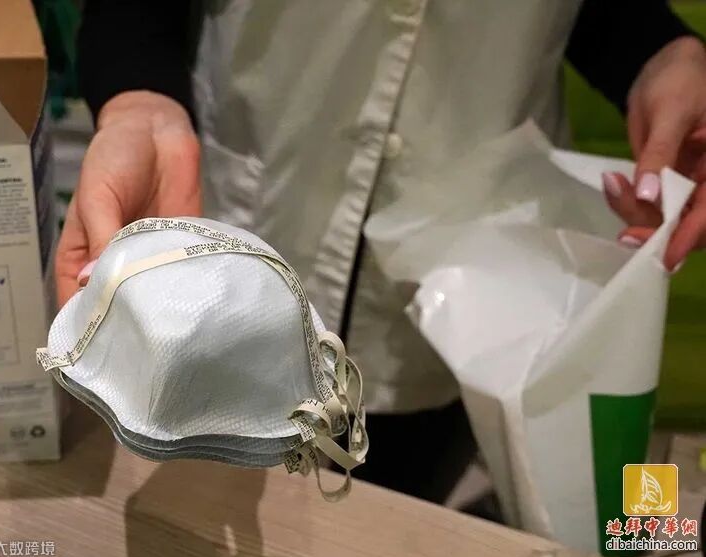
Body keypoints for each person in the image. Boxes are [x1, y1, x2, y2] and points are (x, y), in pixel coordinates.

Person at [63, 0, 706, 504]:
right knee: (206, 510)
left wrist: (657, 50)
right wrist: (138, 97)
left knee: (404, 510)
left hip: (464, 271)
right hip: (241, 226)